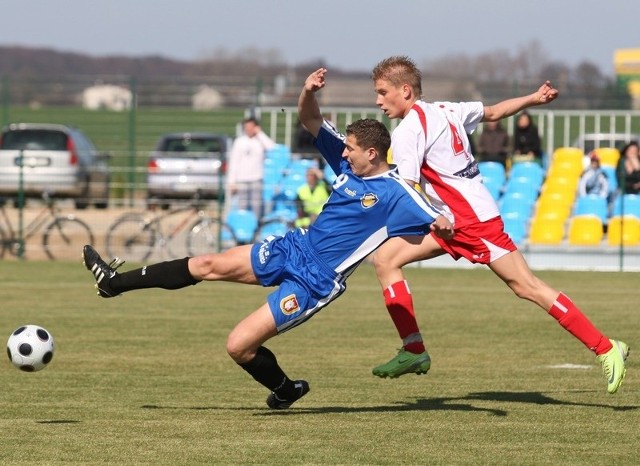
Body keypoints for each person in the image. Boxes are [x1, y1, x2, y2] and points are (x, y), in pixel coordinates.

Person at [81, 68, 454, 409]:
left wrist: (447, 225)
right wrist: (308, 90)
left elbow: (441, 220)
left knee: (238, 346)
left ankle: (286, 389)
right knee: (208, 263)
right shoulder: (346, 165)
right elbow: (310, 119)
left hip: (315, 281)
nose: (343, 152)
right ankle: (114, 282)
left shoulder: (397, 193)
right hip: (293, 247)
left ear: (371, 154)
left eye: (351, 149)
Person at [369, 55, 629, 394]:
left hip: (469, 222)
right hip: (455, 220)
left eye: (382, 92)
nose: (377, 101)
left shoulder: (407, 132)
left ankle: (607, 348)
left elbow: (407, 189)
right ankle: (413, 349)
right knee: (386, 259)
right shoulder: (446, 109)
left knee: (527, 287)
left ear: (404, 90)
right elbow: (493, 112)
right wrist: (533, 99)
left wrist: (427, 217)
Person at [226, 117, 276, 219]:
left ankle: (256, 230)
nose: (248, 129)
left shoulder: (260, 140)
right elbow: (234, 162)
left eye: (250, 127)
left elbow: (272, 148)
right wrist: (232, 182)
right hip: (242, 180)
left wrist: (260, 133)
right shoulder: (239, 141)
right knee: (242, 207)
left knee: (256, 207)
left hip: (256, 179)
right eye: (246, 127)